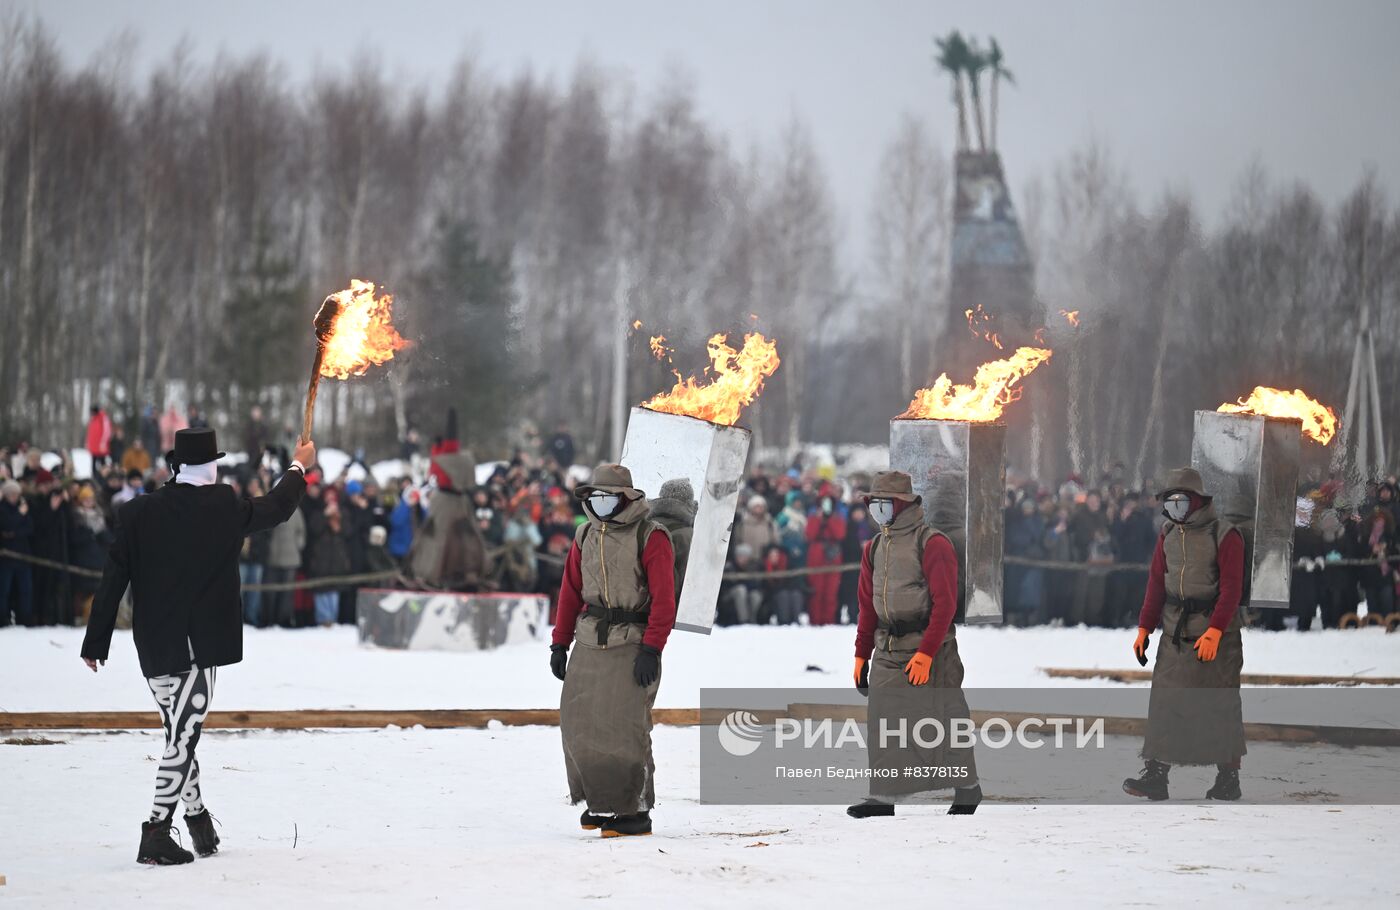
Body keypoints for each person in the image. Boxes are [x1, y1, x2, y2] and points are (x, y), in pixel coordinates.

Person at [81, 428, 312, 865]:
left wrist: (96, 641)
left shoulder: (138, 512)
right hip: (196, 647)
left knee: (179, 733)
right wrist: (299, 466)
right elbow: (278, 507)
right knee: (183, 738)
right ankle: (155, 832)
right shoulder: (222, 504)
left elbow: (113, 579)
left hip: (153, 645)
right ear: (213, 465)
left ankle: (198, 821)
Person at [549, 464, 676, 838]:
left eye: (607, 497)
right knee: (580, 722)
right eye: (594, 497)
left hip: (632, 640)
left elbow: (664, 601)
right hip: (590, 638)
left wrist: (652, 649)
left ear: (627, 498)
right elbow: (570, 591)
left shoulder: (651, 536)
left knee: (625, 727)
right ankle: (602, 801)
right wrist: (560, 642)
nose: (599, 503)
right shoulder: (584, 534)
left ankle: (634, 810)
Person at [848, 471, 980, 818]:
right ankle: (883, 796)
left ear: (901, 504)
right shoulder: (875, 547)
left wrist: (926, 653)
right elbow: (867, 606)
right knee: (883, 718)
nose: (876, 511)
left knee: (944, 718)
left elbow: (945, 605)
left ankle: (967, 787)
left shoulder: (932, 543)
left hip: (931, 647)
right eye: (872, 504)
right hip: (887, 648)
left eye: (882, 503)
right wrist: (861, 653)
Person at [1123, 467, 1245, 803]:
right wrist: (1145, 627)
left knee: (1219, 703)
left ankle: (1228, 776)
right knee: (1165, 701)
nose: (1175, 507)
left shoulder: (1225, 534)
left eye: (1181, 501)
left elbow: (1232, 589)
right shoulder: (1168, 534)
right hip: (1176, 632)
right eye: (1170, 501)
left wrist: (1216, 630)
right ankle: (1156, 775)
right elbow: (1155, 584)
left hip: (1216, 634)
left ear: (1196, 501)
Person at [805, 487, 847, 625]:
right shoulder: (813, 517)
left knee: (831, 592)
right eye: (824, 501)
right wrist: (819, 518)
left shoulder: (837, 517)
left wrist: (829, 519)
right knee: (816, 592)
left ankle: (828, 622)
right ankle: (815, 622)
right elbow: (810, 535)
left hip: (833, 554)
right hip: (816, 553)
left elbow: (839, 535)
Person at [0, 480, 35, 627]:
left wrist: (13, 533)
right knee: (4, 590)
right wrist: (19, 516)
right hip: (7, 557)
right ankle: (2, 617)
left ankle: (25, 618)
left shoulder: (22, 509)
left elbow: (30, 528)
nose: (14, 497)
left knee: (26, 590)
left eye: (16, 494)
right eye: (12, 494)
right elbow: (6, 525)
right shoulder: (3, 509)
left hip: (23, 555)